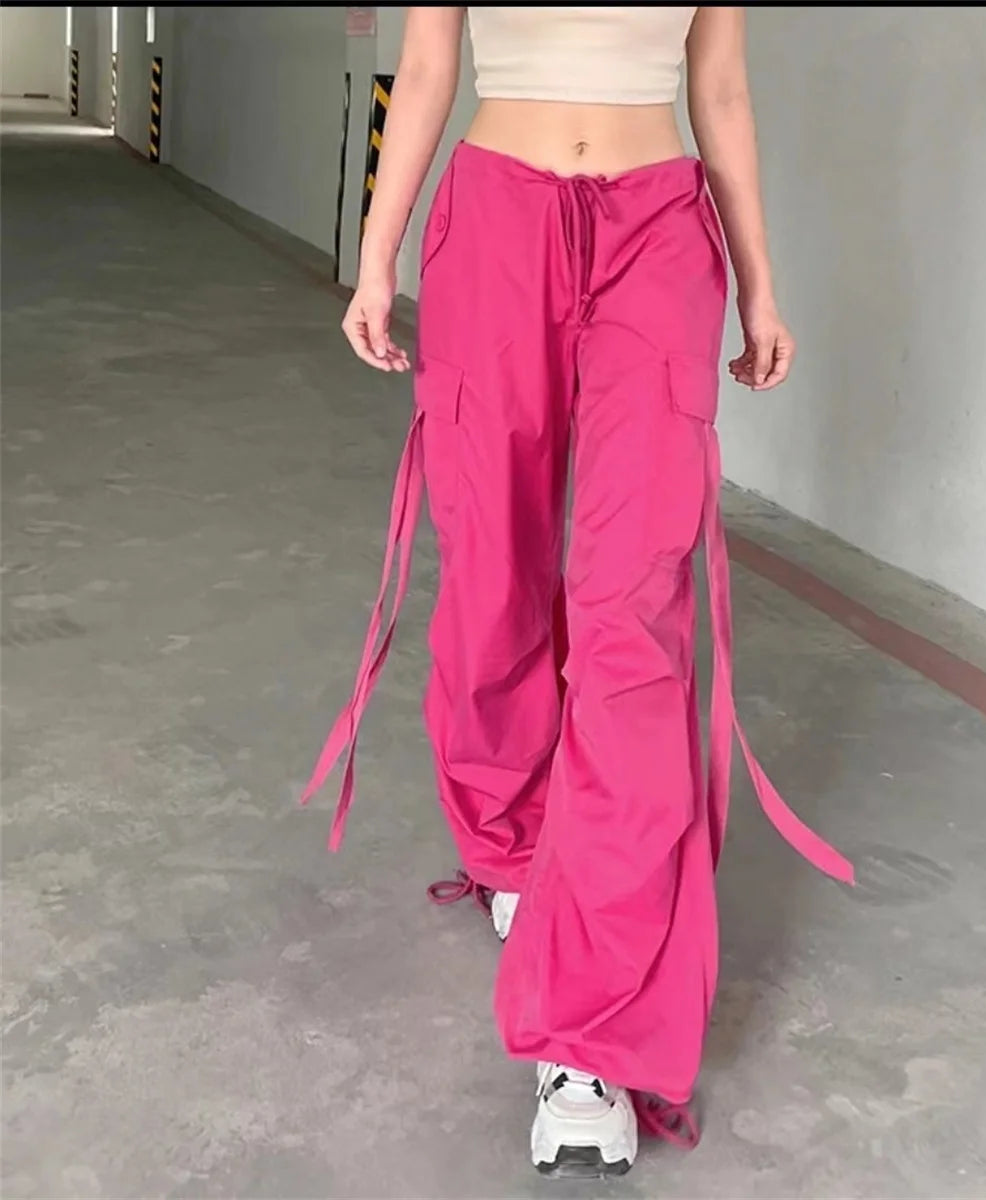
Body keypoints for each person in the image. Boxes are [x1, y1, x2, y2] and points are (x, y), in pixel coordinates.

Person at [303, 6, 853, 1180]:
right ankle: (509, 846)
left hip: (660, 232)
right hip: (497, 222)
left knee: (632, 618)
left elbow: (719, 85)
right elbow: (431, 62)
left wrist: (760, 286)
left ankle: (590, 1036)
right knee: (493, 581)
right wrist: (376, 254)